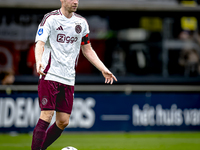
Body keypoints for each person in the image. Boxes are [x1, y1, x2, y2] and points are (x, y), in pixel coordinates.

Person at [31, 0, 117, 150]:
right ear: (62, 0)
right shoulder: (50, 19)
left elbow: (87, 49)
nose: (75, 2)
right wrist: (39, 61)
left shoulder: (81, 23)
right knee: (47, 114)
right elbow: (40, 43)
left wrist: (103, 68)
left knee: (63, 122)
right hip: (50, 74)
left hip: (69, 78)